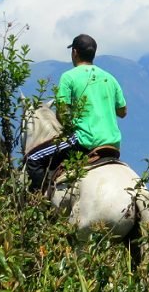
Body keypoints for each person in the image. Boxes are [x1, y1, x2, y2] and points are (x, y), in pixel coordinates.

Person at [24, 34, 127, 191]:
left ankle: (41, 206)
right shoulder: (109, 78)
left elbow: (62, 113)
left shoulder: (68, 77)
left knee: (33, 158)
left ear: (74, 52)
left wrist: (69, 126)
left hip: (83, 140)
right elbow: (122, 112)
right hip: (112, 142)